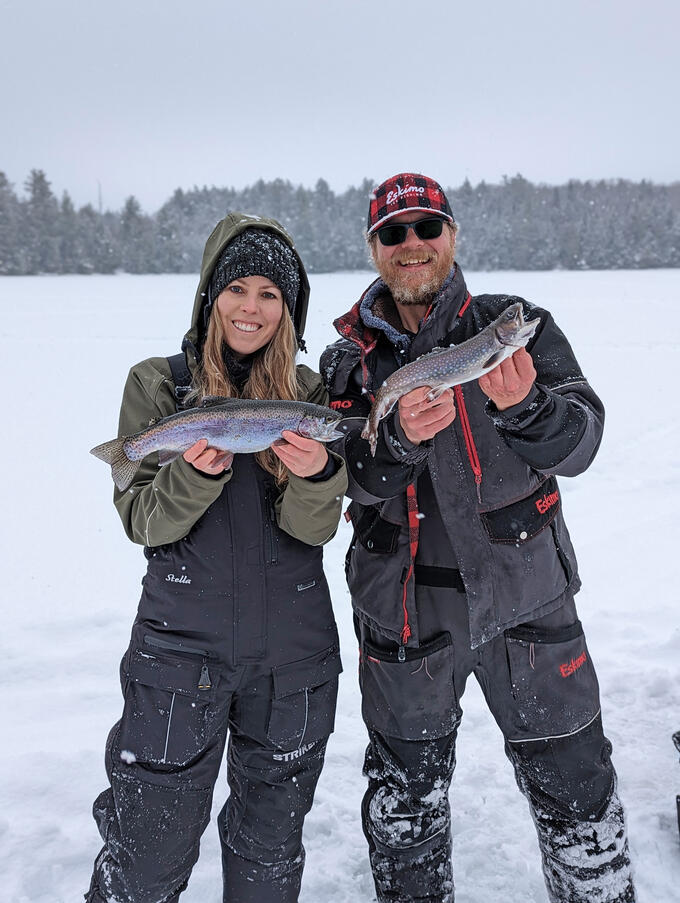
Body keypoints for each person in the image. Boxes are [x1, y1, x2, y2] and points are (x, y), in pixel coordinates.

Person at [320, 173, 635, 903]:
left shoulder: (518, 323)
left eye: (428, 226)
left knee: (580, 800)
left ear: (453, 236)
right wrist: (393, 442)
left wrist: (525, 407)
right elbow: (345, 478)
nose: (413, 244)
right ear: (374, 248)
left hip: (527, 600)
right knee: (405, 810)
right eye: (393, 233)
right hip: (403, 614)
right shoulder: (350, 360)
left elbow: (581, 443)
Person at [86, 213, 347, 903]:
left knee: (268, 857)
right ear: (210, 296)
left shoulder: (308, 394)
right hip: (178, 659)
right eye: (238, 288)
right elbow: (143, 519)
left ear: (288, 309)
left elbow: (313, 531)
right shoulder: (159, 384)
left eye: (269, 292)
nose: (251, 307)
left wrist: (319, 474)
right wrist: (193, 475)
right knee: (146, 855)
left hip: (293, 661)